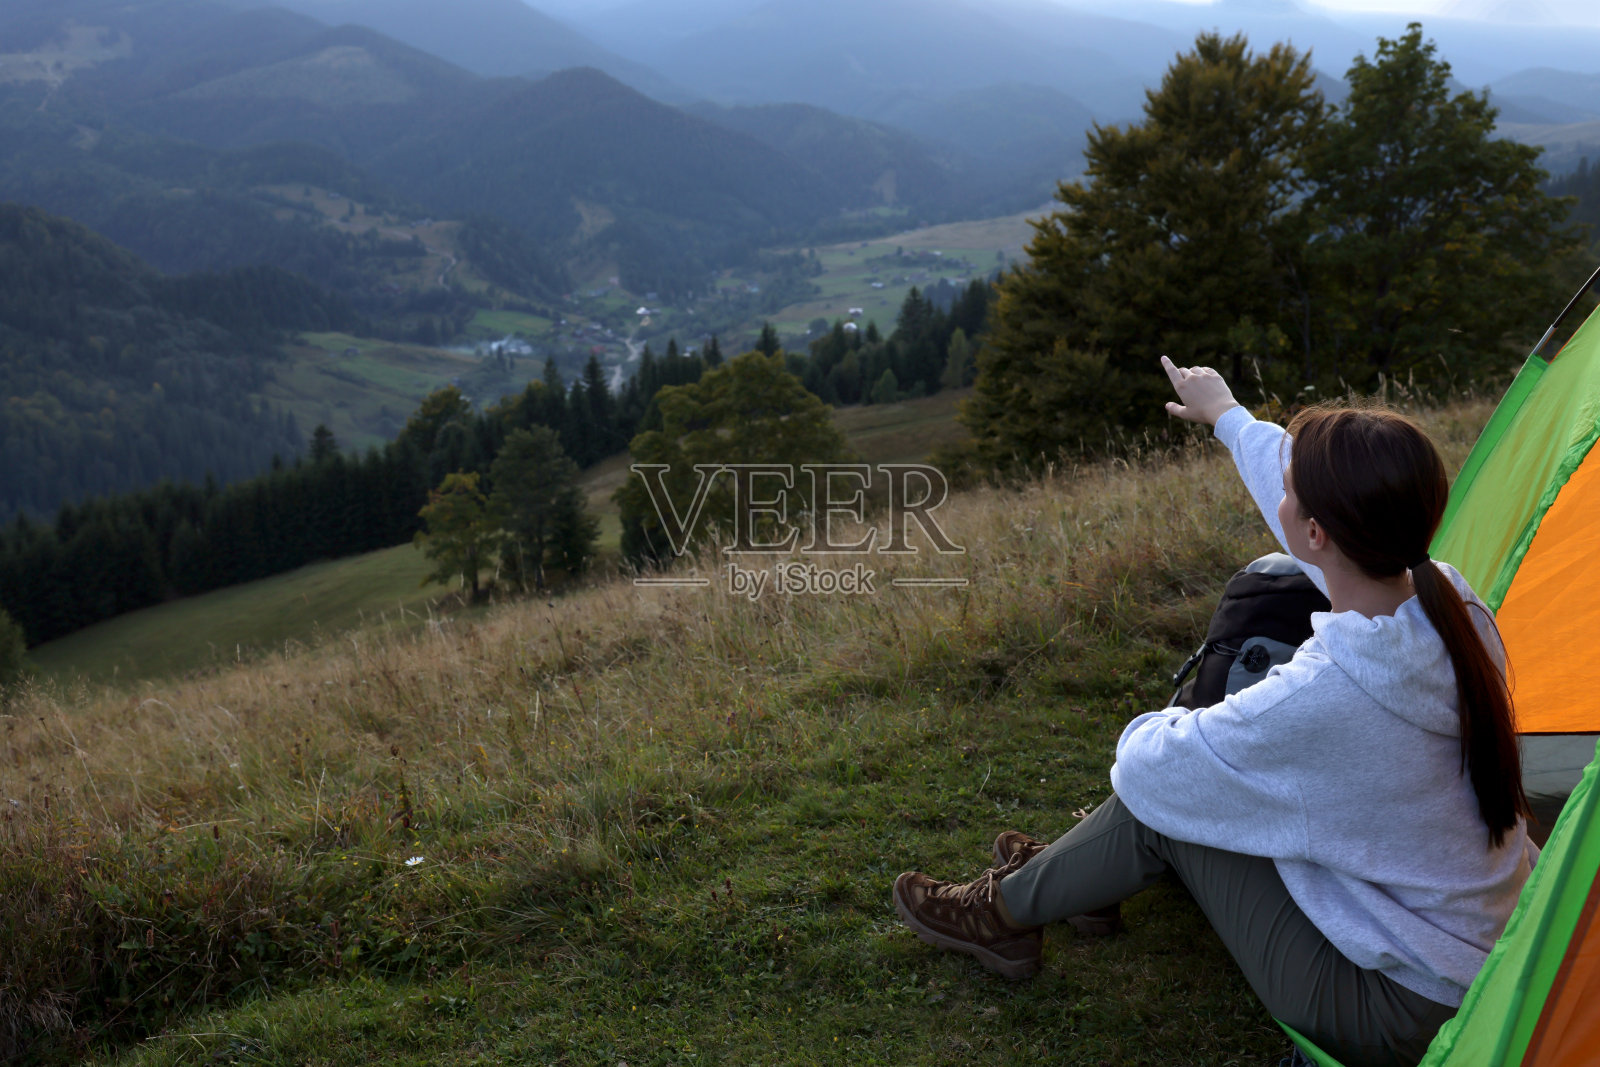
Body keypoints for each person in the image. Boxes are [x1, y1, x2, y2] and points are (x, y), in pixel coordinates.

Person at [892, 357, 1536, 1067]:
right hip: (1488, 949)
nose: (1281, 497)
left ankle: (1001, 914)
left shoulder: (1327, 694)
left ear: (1319, 532)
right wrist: (1227, 415)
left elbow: (1148, 771)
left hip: (1403, 1010)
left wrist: (1173, 721)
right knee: (1200, 776)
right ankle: (1074, 883)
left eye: (1293, 493)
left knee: (1165, 798)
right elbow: (1304, 496)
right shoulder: (1447, 599)